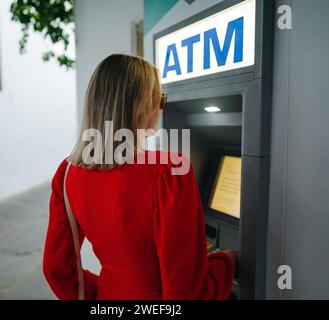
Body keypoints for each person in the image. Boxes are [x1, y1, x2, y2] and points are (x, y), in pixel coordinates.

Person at [43, 54, 236, 300]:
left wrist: (103, 293)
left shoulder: (68, 172)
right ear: (144, 105)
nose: (161, 108)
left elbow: (56, 270)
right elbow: (188, 293)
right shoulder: (169, 172)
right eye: (161, 100)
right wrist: (227, 262)